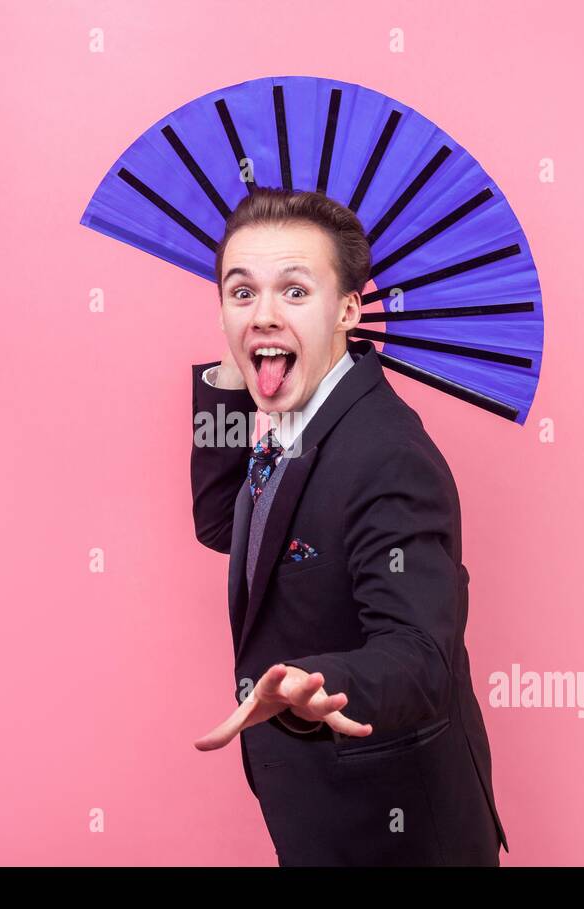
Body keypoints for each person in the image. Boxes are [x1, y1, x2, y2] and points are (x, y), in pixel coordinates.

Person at [189, 187, 508, 865]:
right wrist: (229, 378)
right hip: (318, 814)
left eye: (295, 292)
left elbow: (422, 656)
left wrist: (313, 682)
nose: (264, 314)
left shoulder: (386, 456)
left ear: (348, 309)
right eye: (241, 294)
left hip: (394, 836)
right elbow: (227, 525)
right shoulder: (292, 416)